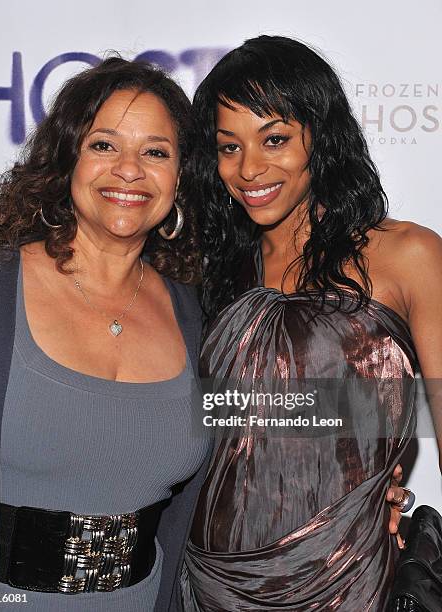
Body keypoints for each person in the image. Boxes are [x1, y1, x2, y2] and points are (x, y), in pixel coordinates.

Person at [182, 35, 442, 611]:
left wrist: (370, 479)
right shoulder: (210, 271)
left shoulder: (408, 257)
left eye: (274, 139)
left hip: (348, 579)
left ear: (319, 139)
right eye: (229, 147)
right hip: (212, 578)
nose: (249, 168)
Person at [0, 57, 211, 612]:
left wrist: (363, 490)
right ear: (67, 158)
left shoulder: (198, 315)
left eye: (155, 152)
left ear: (179, 178)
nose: (129, 170)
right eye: (104, 145)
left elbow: (269, 432)